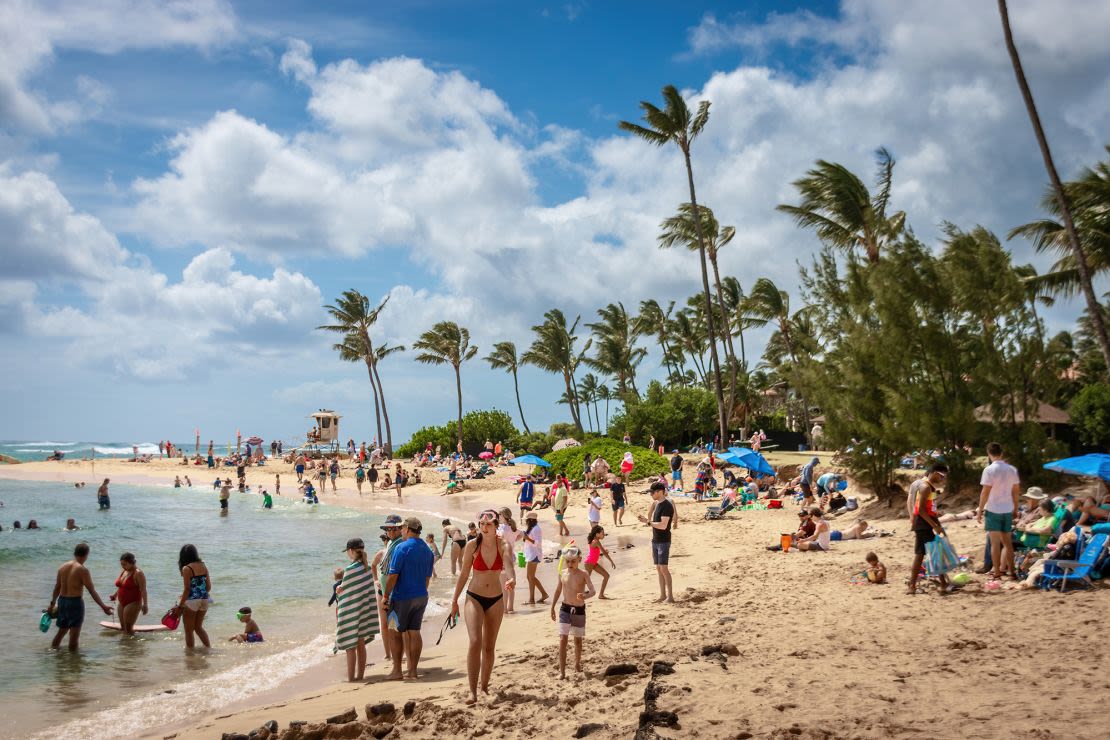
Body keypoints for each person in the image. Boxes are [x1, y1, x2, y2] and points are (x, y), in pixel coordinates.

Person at [449, 509, 517, 704]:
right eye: (482, 524)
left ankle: (484, 687)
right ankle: (472, 691)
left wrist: (511, 579)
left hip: (496, 598)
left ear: (496, 526)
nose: (485, 527)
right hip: (474, 597)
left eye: (489, 524)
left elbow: (509, 566)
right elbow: (463, 575)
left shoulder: (503, 544)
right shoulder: (472, 545)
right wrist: (454, 601)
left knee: (488, 647)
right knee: (475, 641)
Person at [383, 517, 435, 680]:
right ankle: (412, 670)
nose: (401, 531)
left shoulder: (402, 548)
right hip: (420, 596)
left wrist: (385, 595)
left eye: (402, 528)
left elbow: (393, 576)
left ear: (407, 528)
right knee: (414, 632)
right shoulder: (427, 550)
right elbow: (427, 579)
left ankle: (397, 670)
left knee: (394, 632)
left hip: (401, 597)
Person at [47, 543, 113, 650]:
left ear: (75, 553)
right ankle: (74, 664)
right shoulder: (83, 570)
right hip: (74, 603)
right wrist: (103, 606)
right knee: (74, 637)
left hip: (62, 601)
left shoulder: (62, 567)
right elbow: (91, 591)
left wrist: (52, 604)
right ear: (86, 555)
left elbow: (57, 587)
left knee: (61, 632)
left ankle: (55, 657)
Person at [976, 442, 1021, 581]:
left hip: (993, 509)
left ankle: (997, 573)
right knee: (1008, 543)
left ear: (989, 454)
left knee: (995, 544)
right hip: (1007, 508)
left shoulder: (989, 470)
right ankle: (1012, 572)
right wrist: (1016, 508)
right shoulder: (1012, 469)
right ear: (1002, 453)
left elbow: (985, 492)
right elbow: (1015, 491)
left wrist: (980, 510)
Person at [336, 538, 379, 681]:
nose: (348, 554)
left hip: (352, 612)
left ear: (351, 551)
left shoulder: (350, 570)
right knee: (360, 643)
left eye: (348, 551)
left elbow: (345, 591)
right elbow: (363, 589)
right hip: (364, 611)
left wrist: (338, 589)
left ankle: (351, 678)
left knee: (350, 646)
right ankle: (360, 676)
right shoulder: (366, 568)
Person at [550, 545, 596, 679]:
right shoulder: (562, 573)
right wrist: (552, 607)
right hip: (565, 609)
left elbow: (593, 591)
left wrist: (585, 596)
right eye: (567, 561)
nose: (570, 564)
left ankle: (577, 663)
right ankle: (562, 672)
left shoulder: (584, 574)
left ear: (579, 559)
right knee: (562, 639)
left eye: (573, 561)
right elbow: (558, 590)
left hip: (579, 611)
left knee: (577, 640)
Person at [907, 463, 950, 596]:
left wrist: (939, 525)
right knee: (934, 553)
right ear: (935, 473)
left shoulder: (929, 487)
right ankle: (942, 585)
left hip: (923, 524)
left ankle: (912, 586)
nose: (943, 479)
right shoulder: (925, 487)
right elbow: (920, 510)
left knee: (921, 555)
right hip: (923, 524)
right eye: (942, 476)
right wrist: (934, 526)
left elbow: (931, 510)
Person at [373, 515, 404, 662]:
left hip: (393, 591)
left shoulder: (400, 544)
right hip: (383, 590)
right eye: (387, 529)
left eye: (393, 528)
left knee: (396, 625)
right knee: (384, 624)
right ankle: (388, 654)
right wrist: (375, 580)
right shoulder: (391, 544)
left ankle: (399, 654)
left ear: (400, 528)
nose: (390, 531)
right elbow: (374, 566)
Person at [639, 481, 675, 603]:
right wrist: (647, 521)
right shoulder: (657, 503)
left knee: (664, 569)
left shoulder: (667, 506)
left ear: (660, 492)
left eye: (652, 492)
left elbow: (663, 525)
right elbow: (656, 524)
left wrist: (648, 522)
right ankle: (662, 595)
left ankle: (670, 596)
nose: (651, 494)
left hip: (664, 541)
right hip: (656, 540)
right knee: (659, 569)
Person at [173, 544, 211, 648]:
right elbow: (208, 587)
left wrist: (180, 606)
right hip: (204, 599)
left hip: (192, 601)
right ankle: (208, 648)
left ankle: (190, 656)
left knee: (189, 631)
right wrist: (200, 594)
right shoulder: (203, 565)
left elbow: (187, 589)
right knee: (198, 627)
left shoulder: (187, 568)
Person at [111, 552, 148, 634]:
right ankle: (125, 646)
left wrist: (145, 604)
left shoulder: (138, 573)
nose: (123, 566)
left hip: (133, 603)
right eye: (121, 564)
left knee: (128, 628)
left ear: (132, 563)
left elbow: (143, 590)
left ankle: (133, 645)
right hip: (121, 602)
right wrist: (115, 595)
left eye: (125, 564)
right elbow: (122, 586)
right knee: (123, 627)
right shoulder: (124, 571)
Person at [497, 508, 519, 614]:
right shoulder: (512, 527)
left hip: (503, 558)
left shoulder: (501, 528)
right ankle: (510, 607)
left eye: (498, 514)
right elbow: (520, 535)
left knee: (503, 586)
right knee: (511, 583)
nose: (497, 516)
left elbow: (499, 539)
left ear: (502, 515)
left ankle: (504, 609)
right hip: (512, 557)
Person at [584, 525, 615, 598]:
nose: (604, 535)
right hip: (589, 563)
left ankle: (601, 595)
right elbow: (603, 552)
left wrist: (602, 553)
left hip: (593, 563)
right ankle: (573, 591)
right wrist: (611, 561)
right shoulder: (596, 541)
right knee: (585, 581)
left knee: (606, 576)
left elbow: (595, 552)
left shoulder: (595, 541)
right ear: (597, 534)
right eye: (602, 533)